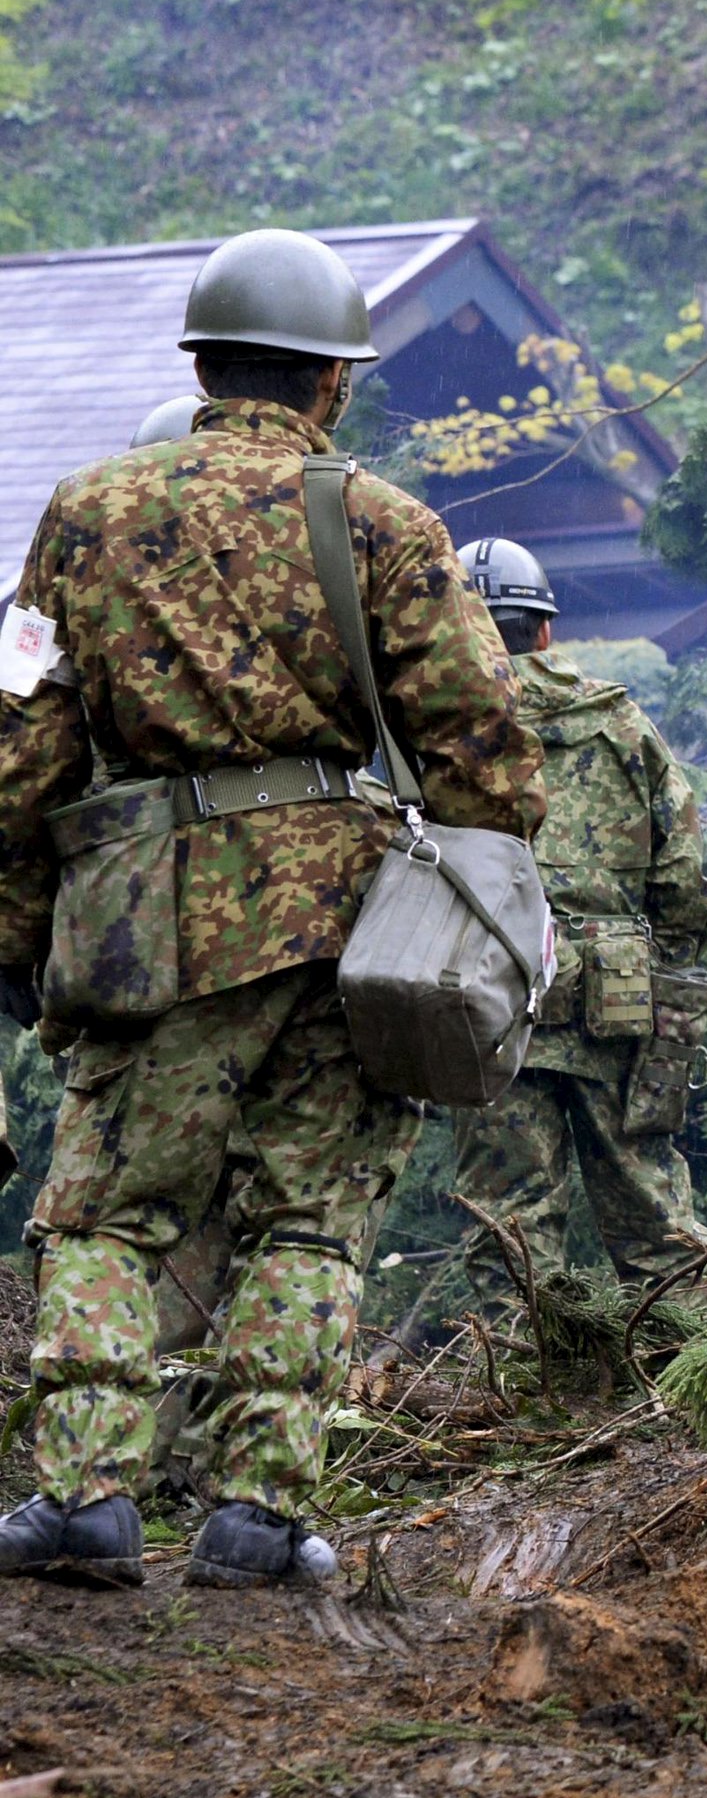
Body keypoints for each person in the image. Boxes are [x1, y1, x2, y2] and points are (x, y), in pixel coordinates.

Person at [0, 228, 543, 1587]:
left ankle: (85, 1498)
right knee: (309, 1214)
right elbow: (489, 757)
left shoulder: (85, 511)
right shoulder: (383, 523)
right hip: (343, 923)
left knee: (109, 1212)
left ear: (197, 360)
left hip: (148, 918)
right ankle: (256, 1513)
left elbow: (22, 752)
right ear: (333, 383)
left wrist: (16, 936)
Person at [448, 539, 707, 1306]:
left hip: (491, 993)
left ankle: (518, 1402)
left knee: (509, 1226)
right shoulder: (621, 722)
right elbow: (681, 870)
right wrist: (666, 957)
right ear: (544, 631)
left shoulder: (442, 733)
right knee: (654, 1213)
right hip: (619, 993)